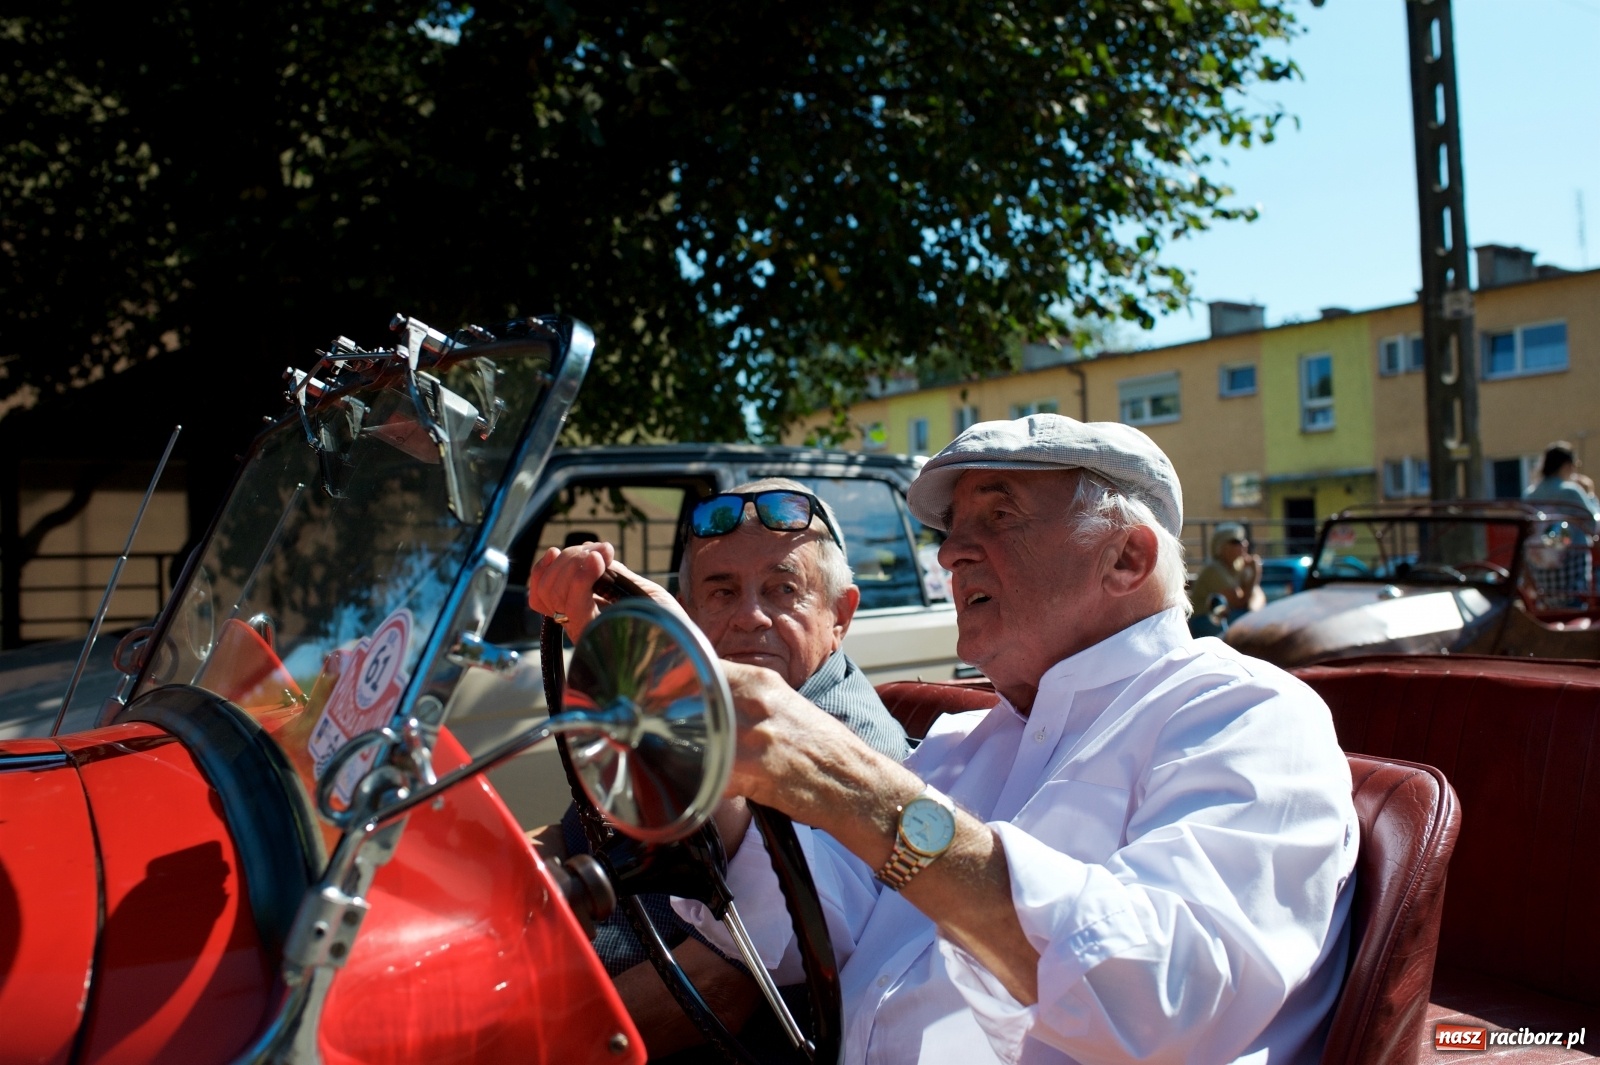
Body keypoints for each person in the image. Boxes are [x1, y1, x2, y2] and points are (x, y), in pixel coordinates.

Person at [673, 414, 1358, 1064]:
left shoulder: (1246, 712)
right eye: (951, 527)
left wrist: (864, 793)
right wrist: (723, 774)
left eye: (997, 516)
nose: (948, 551)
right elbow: (795, 935)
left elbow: (1159, 997)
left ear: (1127, 557)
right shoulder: (968, 740)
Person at [526, 477, 909, 1055]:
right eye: (722, 592)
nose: (750, 617)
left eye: (783, 590)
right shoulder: (684, 707)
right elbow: (580, 831)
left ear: (840, 616)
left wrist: (511, 1039)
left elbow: (718, 989)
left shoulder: (845, 753)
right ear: (692, 612)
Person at [1524, 442, 1600, 607]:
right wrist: (1591, 495)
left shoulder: (1530, 494)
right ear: (1566, 465)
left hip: (1541, 574)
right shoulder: (1569, 491)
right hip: (1570, 572)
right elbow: (1594, 526)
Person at [1187, 521, 1266, 627]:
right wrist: (1255, 574)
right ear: (1222, 546)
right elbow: (1239, 602)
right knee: (1246, 620)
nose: (1244, 544)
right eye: (1236, 541)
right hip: (1204, 620)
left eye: (1243, 539)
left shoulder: (1235, 566)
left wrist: (1254, 608)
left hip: (1220, 617)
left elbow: (1255, 594)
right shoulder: (1213, 569)